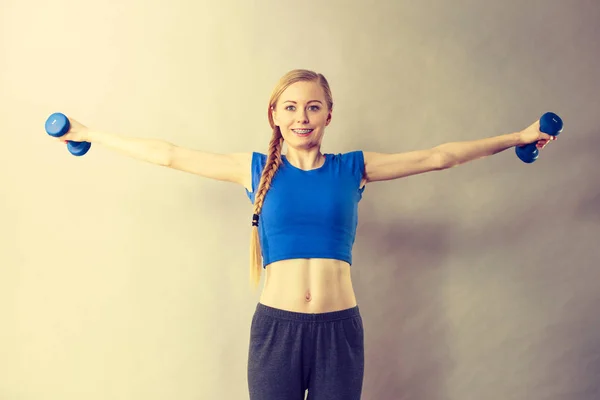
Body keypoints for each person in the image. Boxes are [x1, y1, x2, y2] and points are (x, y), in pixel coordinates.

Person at [52, 69, 557, 399]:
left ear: (328, 115)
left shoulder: (353, 168)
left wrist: (518, 138)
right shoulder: (252, 170)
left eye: (313, 107)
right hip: (277, 331)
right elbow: (170, 154)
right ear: (275, 115)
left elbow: (438, 157)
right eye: (291, 107)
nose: (301, 117)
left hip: (339, 332)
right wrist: (89, 134)